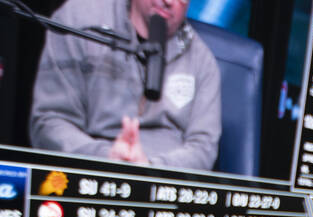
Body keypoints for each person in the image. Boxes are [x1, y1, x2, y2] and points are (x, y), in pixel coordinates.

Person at [29, 0, 221, 171]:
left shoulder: (202, 61)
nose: (169, 1)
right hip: (89, 175)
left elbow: (203, 148)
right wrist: (106, 157)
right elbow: (49, 122)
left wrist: (150, 168)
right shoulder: (77, 20)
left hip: (163, 189)